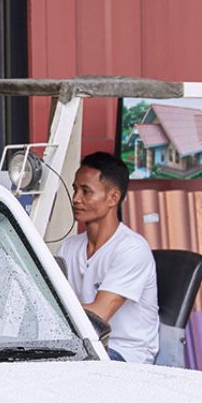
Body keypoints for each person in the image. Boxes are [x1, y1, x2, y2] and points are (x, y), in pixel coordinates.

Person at [56, 151, 159, 364]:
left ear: (113, 198)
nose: (76, 199)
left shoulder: (131, 248)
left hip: (125, 352)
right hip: (83, 347)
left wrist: (48, 305)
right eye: (75, 189)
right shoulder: (69, 247)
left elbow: (98, 316)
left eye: (86, 191)